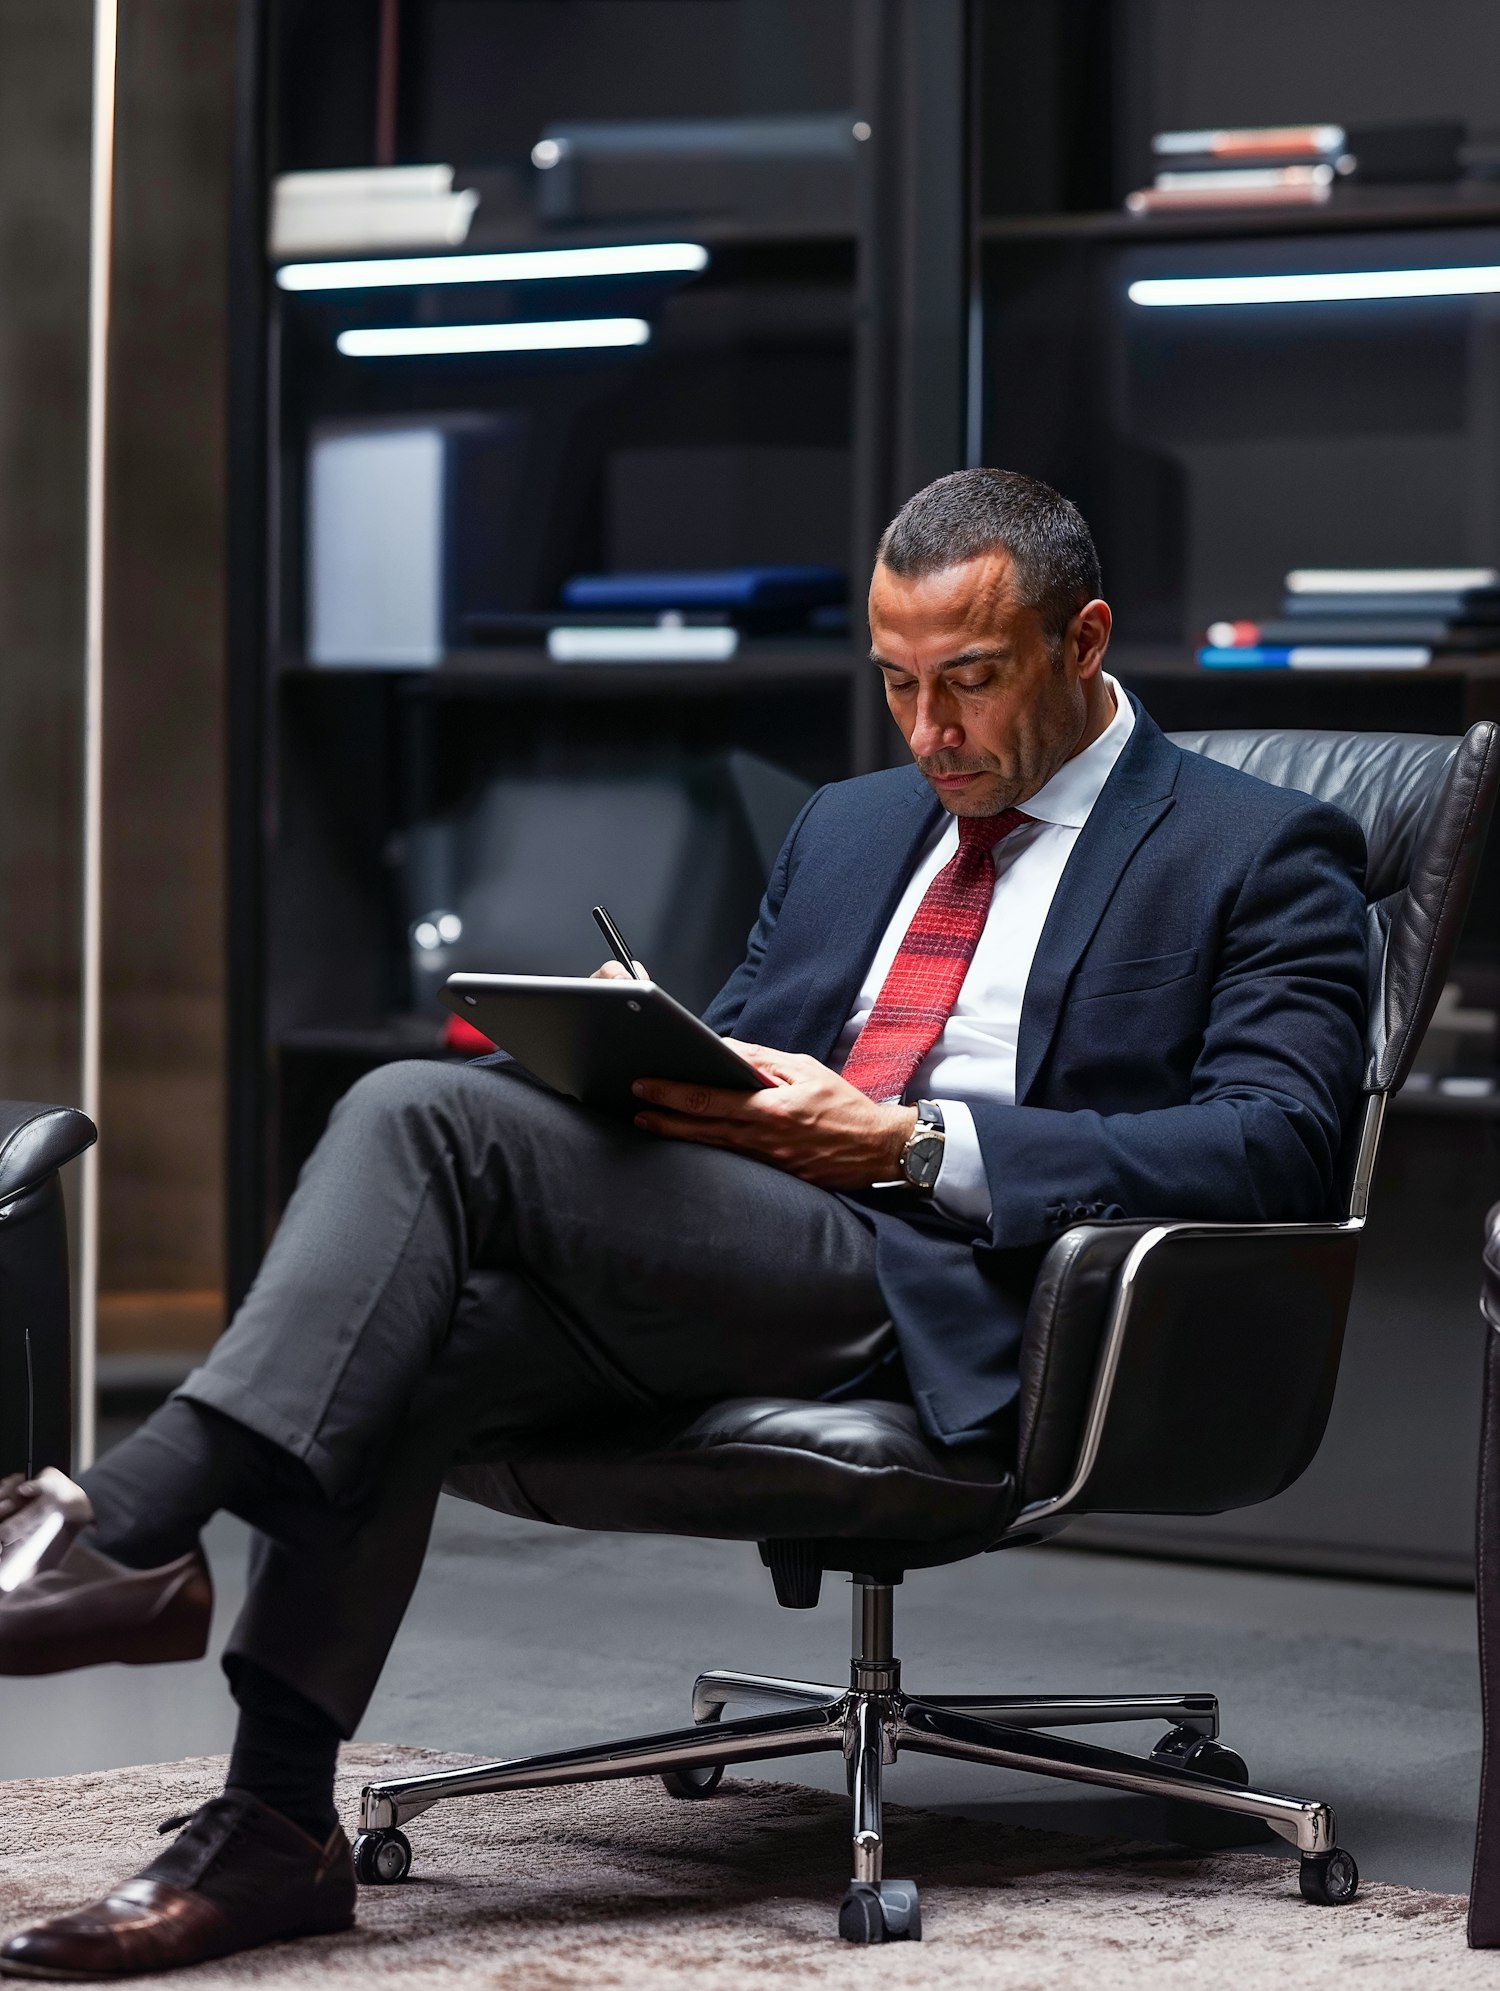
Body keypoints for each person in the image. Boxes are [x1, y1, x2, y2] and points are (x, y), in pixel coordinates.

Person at [0, 469, 1368, 1978]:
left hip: (948, 1284)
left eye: (971, 685)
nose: (931, 736)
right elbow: (736, 1072)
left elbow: (1280, 1147)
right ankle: (274, 1829)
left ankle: (122, 1527)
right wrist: (639, 1058)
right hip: (750, 1245)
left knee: (415, 1111)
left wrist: (914, 1146)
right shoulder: (856, 828)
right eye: (899, 685)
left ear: (1085, 639)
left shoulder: (1258, 848)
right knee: (428, 1327)